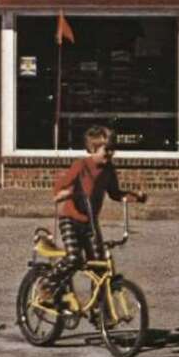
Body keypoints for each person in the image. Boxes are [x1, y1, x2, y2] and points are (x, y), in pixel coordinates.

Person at [44, 126, 147, 308]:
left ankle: (100, 310)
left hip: (90, 223)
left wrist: (133, 197)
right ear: (92, 149)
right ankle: (47, 286)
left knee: (99, 265)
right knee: (74, 258)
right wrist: (63, 194)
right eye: (106, 149)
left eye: (112, 149)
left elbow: (115, 193)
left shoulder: (108, 170)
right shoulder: (80, 166)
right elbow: (59, 187)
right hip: (70, 219)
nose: (110, 153)